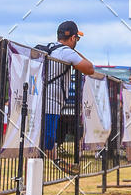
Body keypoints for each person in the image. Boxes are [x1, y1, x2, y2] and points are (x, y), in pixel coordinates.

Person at [40, 20, 94, 160]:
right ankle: (34, 179)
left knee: (44, 141)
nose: (77, 41)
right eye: (77, 38)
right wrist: (74, 51)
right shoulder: (66, 52)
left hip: (40, 101)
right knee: (45, 143)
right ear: (72, 38)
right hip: (50, 105)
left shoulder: (50, 47)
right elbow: (89, 69)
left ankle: (54, 163)